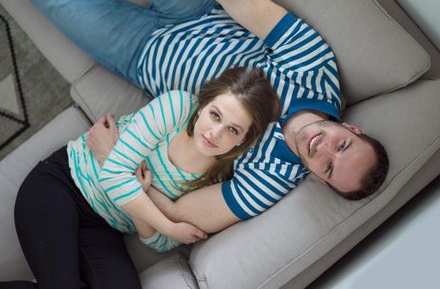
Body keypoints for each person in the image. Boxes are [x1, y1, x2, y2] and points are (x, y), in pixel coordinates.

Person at [0, 0, 389, 236]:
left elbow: (182, 212)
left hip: (139, 57)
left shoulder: (270, 181)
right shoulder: (318, 74)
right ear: (353, 129)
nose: (323, 150)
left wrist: (116, 163)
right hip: (197, 10)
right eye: (342, 145)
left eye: (328, 167)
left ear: (319, 180)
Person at [0, 67, 280, 289]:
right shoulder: (177, 107)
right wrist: (169, 225)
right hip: (63, 185)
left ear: (245, 140)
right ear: (203, 105)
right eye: (215, 115)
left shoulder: (215, 180)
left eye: (233, 130)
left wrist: (143, 198)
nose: (215, 133)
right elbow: (112, 175)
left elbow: (156, 244)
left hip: (103, 226)